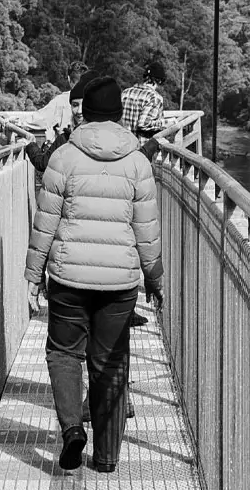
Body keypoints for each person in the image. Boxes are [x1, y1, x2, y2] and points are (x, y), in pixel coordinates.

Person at [26, 72, 163, 473]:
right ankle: (105, 459)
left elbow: (45, 221)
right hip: (120, 283)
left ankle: (72, 430)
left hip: (68, 278)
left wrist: (34, 276)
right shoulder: (138, 161)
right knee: (110, 364)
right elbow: (147, 232)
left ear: (85, 111)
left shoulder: (63, 156)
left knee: (64, 354)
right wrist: (155, 280)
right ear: (120, 114)